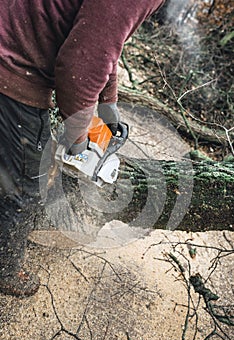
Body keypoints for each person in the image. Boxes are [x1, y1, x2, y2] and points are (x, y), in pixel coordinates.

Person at [0, 0, 164, 297]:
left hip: (9, 31)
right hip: (12, 64)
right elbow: (79, 68)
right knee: (24, 190)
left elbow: (101, 37)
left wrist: (108, 105)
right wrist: (77, 142)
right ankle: (6, 269)